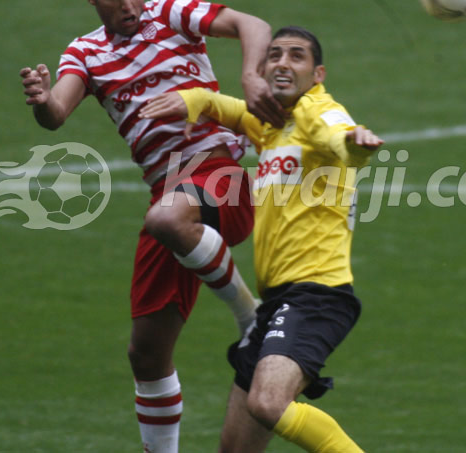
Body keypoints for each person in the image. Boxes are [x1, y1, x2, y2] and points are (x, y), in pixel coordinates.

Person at [18, 0, 286, 453]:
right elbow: (56, 115)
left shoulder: (171, 12)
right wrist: (40, 99)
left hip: (219, 174)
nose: (130, 5)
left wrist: (249, 77)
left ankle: (250, 316)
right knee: (146, 355)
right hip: (171, 191)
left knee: (165, 220)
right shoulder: (85, 52)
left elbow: (252, 26)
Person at [140, 26, 383, 452]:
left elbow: (338, 136)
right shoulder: (272, 124)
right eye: (274, 55)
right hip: (277, 302)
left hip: (315, 296)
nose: (283, 63)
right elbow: (226, 108)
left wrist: (355, 142)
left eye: (296, 56)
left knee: (269, 403)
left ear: (318, 73)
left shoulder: (315, 111)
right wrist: (189, 100)